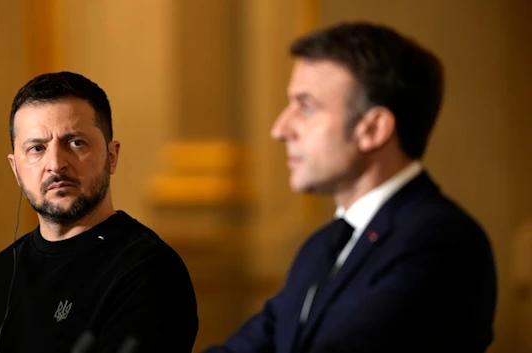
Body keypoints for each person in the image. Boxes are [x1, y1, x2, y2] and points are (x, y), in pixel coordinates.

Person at [203, 22, 497, 353]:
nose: (280, 128)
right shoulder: (320, 246)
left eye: (306, 106)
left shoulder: (441, 242)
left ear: (372, 129)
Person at [0, 72, 199, 353]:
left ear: (112, 156)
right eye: (37, 148)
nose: (56, 164)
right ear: (16, 169)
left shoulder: (149, 271)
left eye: (75, 143)